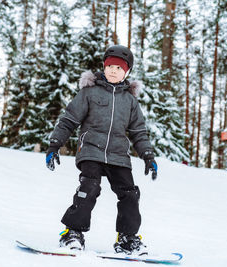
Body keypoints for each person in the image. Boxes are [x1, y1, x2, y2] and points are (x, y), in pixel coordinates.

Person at [46, 45, 158, 255]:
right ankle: (73, 233)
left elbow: (139, 133)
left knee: (130, 194)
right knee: (89, 187)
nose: (113, 70)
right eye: (110, 66)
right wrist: (55, 144)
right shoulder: (89, 92)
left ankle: (127, 239)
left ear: (127, 72)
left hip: (118, 155)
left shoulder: (130, 101)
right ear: (104, 67)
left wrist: (148, 156)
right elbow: (69, 120)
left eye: (119, 67)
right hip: (91, 151)